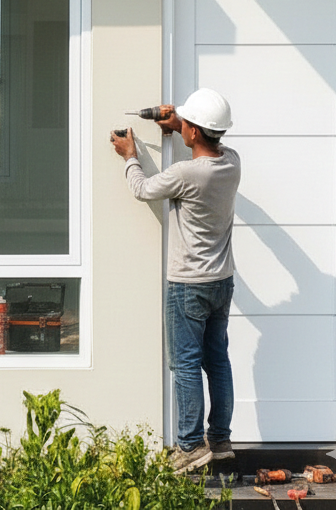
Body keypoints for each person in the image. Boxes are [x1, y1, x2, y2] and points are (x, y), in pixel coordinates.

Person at [109, 88, 240, 474]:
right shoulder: (232, 162)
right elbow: (206, 145)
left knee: (186, 364)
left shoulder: (186, 174)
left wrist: (130, 156)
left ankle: (190, 446)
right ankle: (220, 440)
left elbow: (143, 189)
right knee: (217, 360)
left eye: (187, 124)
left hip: (188, 286)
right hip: (221, 282)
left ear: (195, 131)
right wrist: (179, 122)